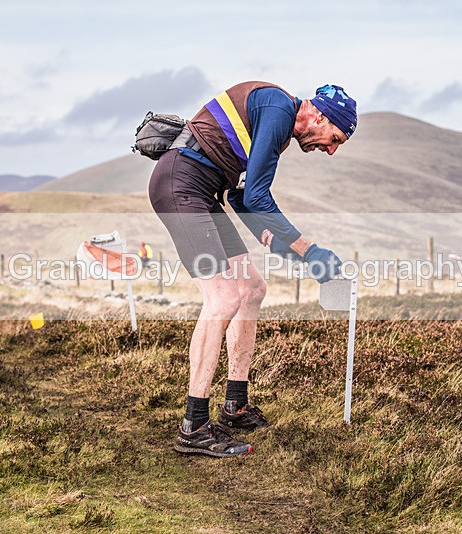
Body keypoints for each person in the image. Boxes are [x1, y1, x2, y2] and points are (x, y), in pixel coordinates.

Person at [148, 82, 357, 458]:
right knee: (223, 298)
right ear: (320, 116)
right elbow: (258, 196)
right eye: (335, 138)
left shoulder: (277, 126)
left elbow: (241, 196)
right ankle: (193, 426)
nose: (330, 150)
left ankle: (235, 405)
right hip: (182, 187)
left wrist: (281, 244)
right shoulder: (278, 109)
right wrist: (310, 251)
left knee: (251, 287)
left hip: (203, 190)